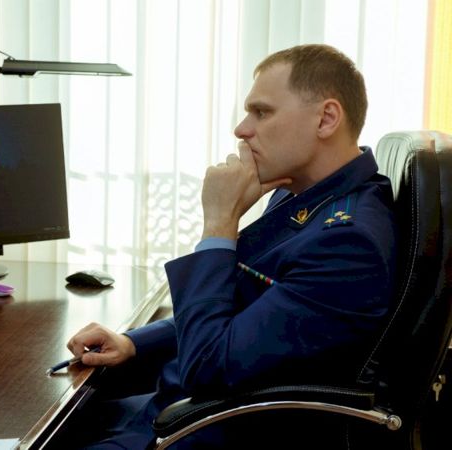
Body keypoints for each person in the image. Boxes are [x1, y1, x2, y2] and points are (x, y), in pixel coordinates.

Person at [62, 44, 397, 449]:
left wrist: (219, 223)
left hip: (195, 431)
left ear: (326, 119)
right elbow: (240, 307)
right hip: (170, 411)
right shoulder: (303, 197)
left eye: (262, 112)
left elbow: (208, 367)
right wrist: (135, 343)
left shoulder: (346, 243)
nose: (241, 129)